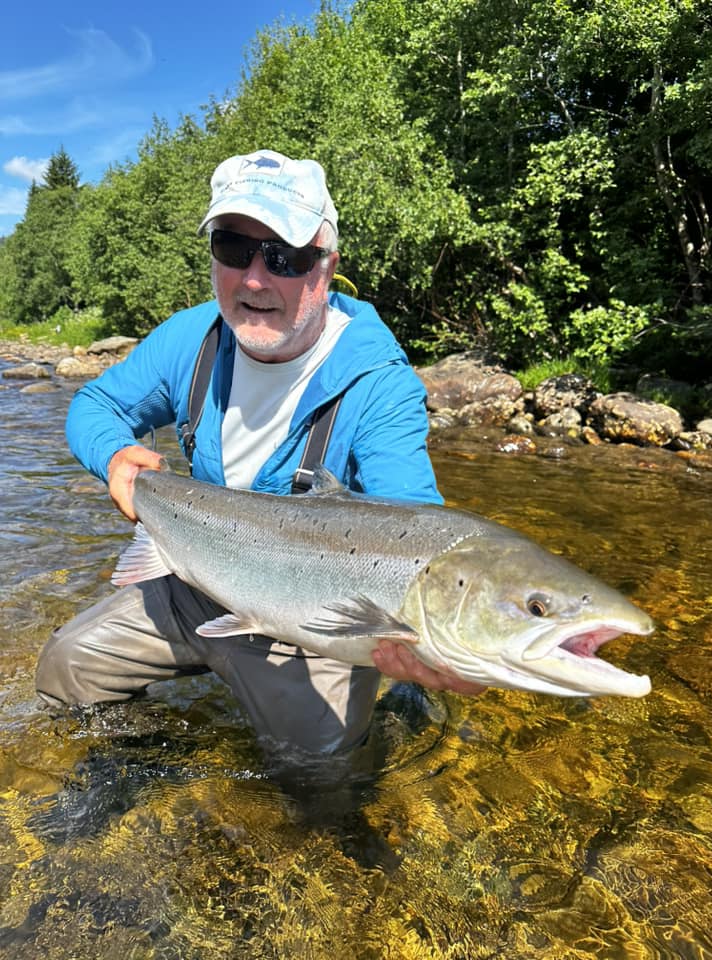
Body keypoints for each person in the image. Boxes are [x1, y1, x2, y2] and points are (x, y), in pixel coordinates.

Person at [36, 149, 483, 757]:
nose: (253, 278)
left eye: (285, 257)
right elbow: (95, 407)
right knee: (68, 670)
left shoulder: (378, 382)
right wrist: (116, 457)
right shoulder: (189, 339)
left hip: (310, 614)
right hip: (199, 573)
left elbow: (413, 523)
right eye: (232, 248)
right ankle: (141, 779)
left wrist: (433, 629)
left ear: (327, 265)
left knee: (319, 768)